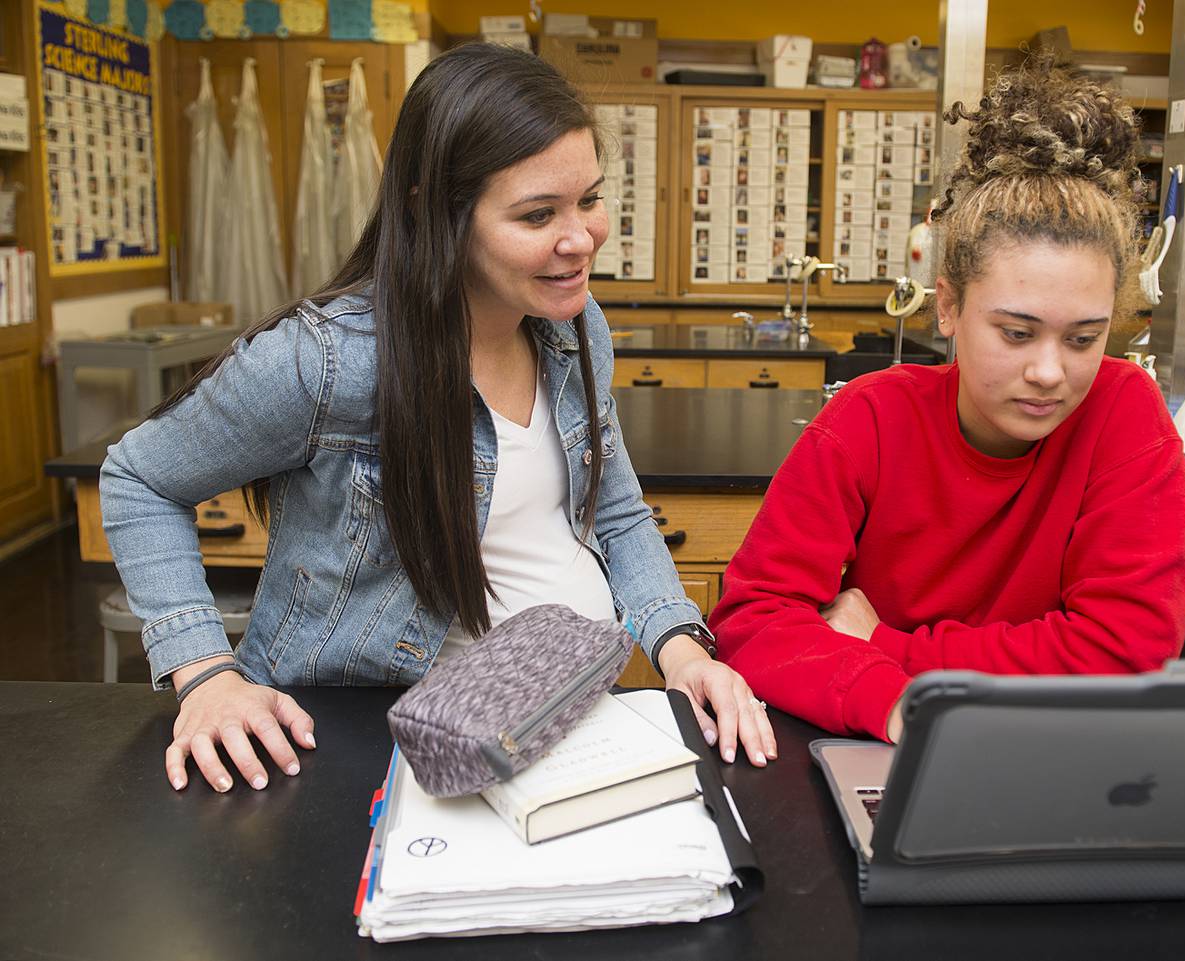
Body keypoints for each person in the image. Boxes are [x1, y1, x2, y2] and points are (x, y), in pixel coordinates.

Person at [100, 44, 776, 794]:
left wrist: (683, 648)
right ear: (436, 210)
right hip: (382, 747)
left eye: (588, 199)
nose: (580, 238)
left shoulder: (574, 328)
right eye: (537, 214)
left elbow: (614, 511)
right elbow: (139, 478)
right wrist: (204, 673)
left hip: (561, 711)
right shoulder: (328, 361)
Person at [709, 62, 1185, 742]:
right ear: (948, 306)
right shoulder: (870, 420)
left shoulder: (1126, 413)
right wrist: (893, 704)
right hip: (884, 746)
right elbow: (755, 618)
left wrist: (894, 650)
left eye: (1085, 337)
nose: (1050, 371)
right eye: (1016, 333)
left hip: (1056, 751)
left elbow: (1125, 654)